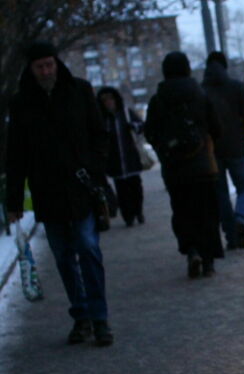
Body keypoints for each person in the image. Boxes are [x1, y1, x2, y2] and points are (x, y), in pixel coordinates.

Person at [5, 42, 114, 346]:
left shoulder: (79, 91)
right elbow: (15, 154)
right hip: (48, 192)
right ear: (31, 69)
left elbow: (99, 135)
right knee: (64, 257)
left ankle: (99, 318)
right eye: (40, 66)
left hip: (81, 189)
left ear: (57, 63)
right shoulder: (23, 103)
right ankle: (81, 316)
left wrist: (93, 169)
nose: (46, 71)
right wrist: (13, 201)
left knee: (88, 248)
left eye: (50, 64)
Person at [144, 51, 223, 278]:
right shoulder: (200, 95)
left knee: (183, 211)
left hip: (174, 169)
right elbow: (216, 128)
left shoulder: (158, 100)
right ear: (188, 68)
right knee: (207, 212)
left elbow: (150, 132)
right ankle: (208, 261)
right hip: (203, 166)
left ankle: (192, 250)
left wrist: (165, 148)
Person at [201, 51, 244, 250]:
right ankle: (241, 218)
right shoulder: (237, 87)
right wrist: (243, 133)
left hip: (212, 151)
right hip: (236, 147)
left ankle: (231, 237)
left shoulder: (202, 91)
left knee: (220, 194)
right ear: (225, 66)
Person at [97, 87, 146, 227]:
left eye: (110, 98)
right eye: (104, 100)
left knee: (136, 188)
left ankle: (138, 211)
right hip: (115, 162)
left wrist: (133, 126)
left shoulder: (125, 113)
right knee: (122, 192)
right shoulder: (102, 119)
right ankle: (128, 216)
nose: (108, 102)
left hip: (130, 159)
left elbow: (141, 126)